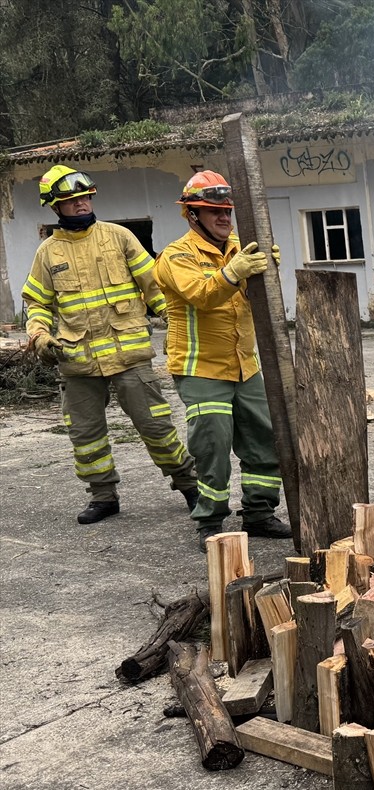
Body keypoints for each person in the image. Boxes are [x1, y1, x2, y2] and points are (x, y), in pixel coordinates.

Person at [22, 165, 197, 524]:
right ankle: (103, 497)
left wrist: (175, 322)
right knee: (86, 436)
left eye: (85, 196)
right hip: (76, 360)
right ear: (55, 206)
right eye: (72, 200)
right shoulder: (48, 253)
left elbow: (156, 286)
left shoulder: (118, 237)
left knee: (156, 427)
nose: (82, 203)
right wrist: (39, 335)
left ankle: (190, 486)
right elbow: (37, 303)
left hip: (129, 355)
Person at [153, 170, 291, 550]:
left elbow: (250, 298)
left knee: (264, 437)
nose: (224, 218)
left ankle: (259, 513)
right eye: (213, 211)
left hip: (244, 364)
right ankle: (210, 522)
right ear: (192, 215)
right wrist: (235, 272)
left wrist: (264, 273)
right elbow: (201, 294)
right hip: (200, 367)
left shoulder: (238, 248)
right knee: (212, 442)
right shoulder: (176, 255)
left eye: (227, 211)